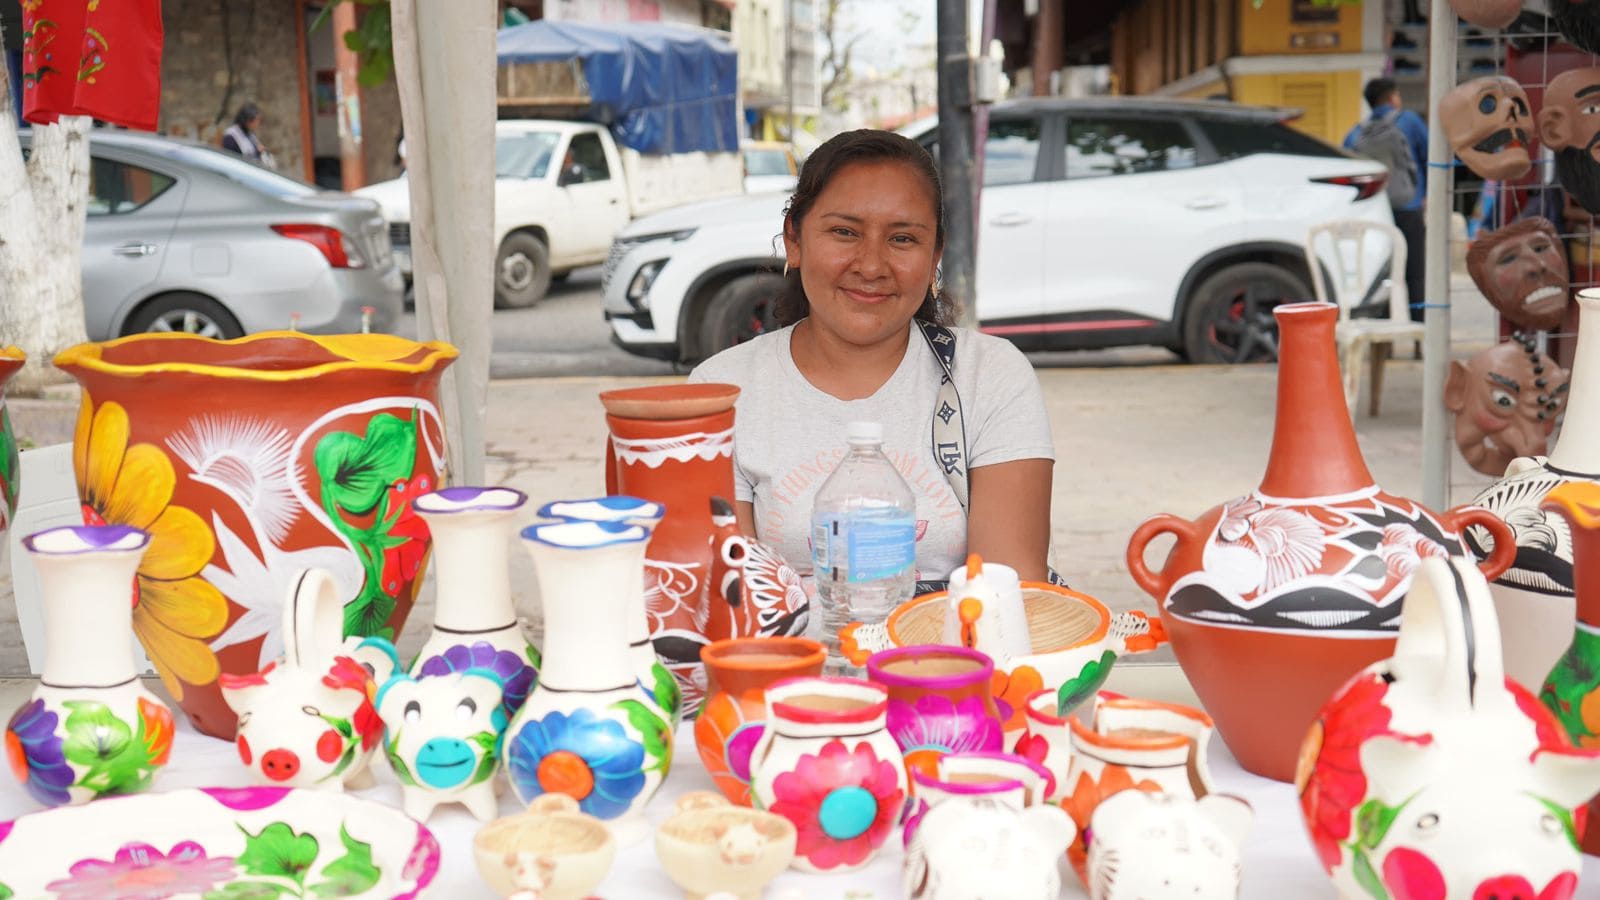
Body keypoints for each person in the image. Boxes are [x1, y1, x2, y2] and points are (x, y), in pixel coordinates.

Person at [687, 129, 1056, 591]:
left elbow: (1008, 593)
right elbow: (733, 600)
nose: (871, 265)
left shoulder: (989, 375)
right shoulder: (721, 391)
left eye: (902, 239)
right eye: (845, 232)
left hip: (960, 641)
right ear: (794, 240)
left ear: (934, 256)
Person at [1345, 78, 1429, 322]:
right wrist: (1423, 193)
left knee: (1381, 273)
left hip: (1375, 212)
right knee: (1415, 274)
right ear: (1393, 98)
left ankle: (1383, 333)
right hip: (1408, 207)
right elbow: (1430, 155)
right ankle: (1419, 331)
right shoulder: (1409, 121)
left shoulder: (1356, 132)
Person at [221, 102, 276, 170]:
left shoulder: (249, 135)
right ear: (248, 120)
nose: (258, 123)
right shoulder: (231, 136)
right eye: (257, 120)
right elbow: (233, 159)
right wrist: (257, 152)